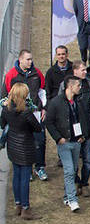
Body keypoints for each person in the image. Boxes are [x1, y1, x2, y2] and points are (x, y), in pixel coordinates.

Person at [45, 76, 89, 212]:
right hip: (64, 142)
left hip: (76, 141)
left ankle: (67, 196)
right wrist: (58, 138)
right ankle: (73, 200)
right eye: (78, 86)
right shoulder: (56, 102)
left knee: (73, 170)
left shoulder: (78, 101)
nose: (80, 88)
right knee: (69, 170)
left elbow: (83, 119)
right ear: (70, 86)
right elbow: (49, 122)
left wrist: (83, 135)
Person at [2, 50, 48, 181]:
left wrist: (44, 108)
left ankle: (39, 167)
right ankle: (26, 167)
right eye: (28, 59)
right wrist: (10, 110)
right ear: (20, 59)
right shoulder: (11, 75)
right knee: (24, 141)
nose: (31, 62)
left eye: (31, 59)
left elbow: (43, 92)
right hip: (19, 115)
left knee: (40, 140)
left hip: (36, 113)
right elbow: (3, 97)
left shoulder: (37, 73)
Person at [1, 83, 43, 220]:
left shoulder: (6, 109)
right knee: (25, 178)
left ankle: (18, 204)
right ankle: (26, 208)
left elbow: (2, 124)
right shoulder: (26, 112)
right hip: (25, 146)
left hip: (12, 145)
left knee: (16, 176)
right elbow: (37, 128)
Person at [64, 61, 90, 197]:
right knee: (73, 162)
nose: (85, 72)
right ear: (75, 71)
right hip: (73, 131)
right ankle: (76, 182)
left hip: (88, 129)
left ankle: (84, 184)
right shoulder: (66, 84)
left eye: (85, 70)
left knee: (88, 160)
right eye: (83, 70)